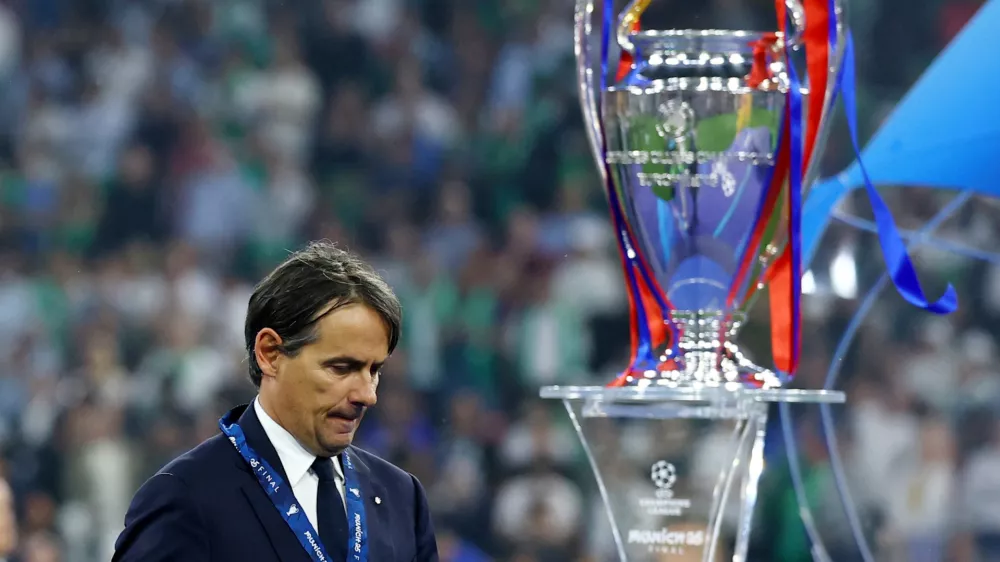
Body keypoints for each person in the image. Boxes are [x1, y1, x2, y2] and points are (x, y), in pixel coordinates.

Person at [113, 242, 439, 562]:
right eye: (342, 367)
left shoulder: (402, 497)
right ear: (270, 353)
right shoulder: (185, 496)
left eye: (374, 370)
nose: (367, 395)